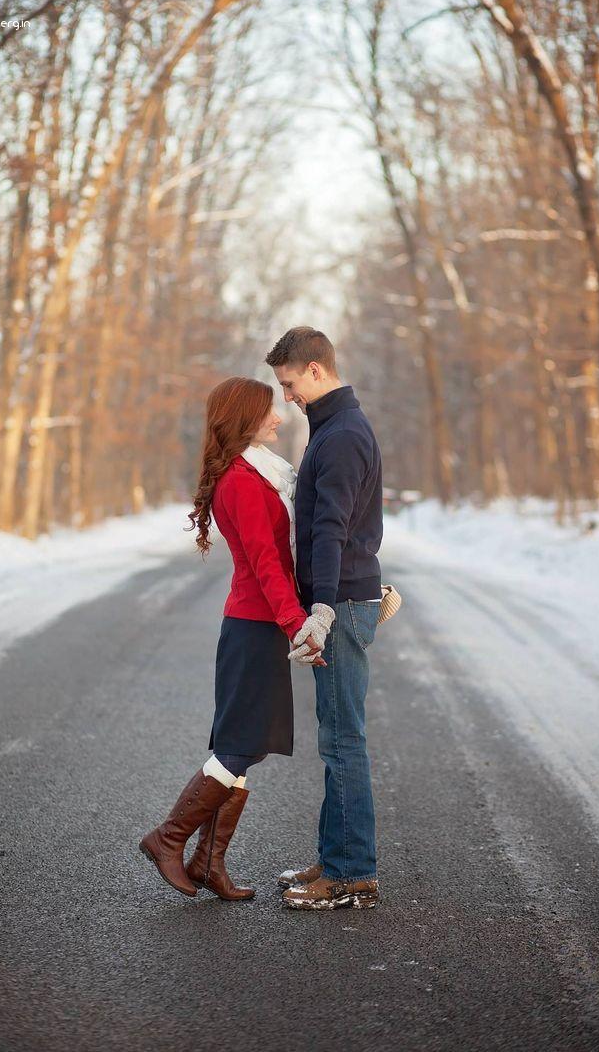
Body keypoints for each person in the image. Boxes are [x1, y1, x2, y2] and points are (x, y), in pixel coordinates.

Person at [138, 376, 325, 901]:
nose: (279, 417)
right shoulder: (242, 481)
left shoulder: (259, 472)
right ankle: (168, 838)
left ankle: (207, 862)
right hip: (254, 625)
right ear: (243, 417)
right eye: (269, 410)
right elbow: (266, 564)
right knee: (239, 746)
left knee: (244, 745)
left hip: (258, 625)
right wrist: (297, 623)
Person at [266, 327, 384, 911]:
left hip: (336, 605)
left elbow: (333, 526)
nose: (286, 397)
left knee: (343, 741)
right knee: (337, 736)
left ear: (315, 370)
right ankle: (336, 854)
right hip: (342, 599)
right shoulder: (334, 428)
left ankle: (350, 873)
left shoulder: (340, 435)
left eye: (288, 384)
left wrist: (324, 606)